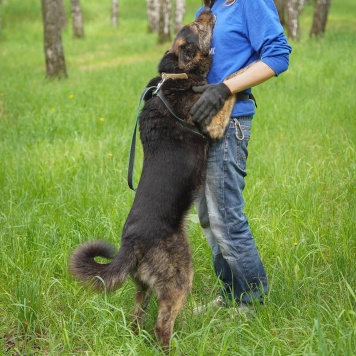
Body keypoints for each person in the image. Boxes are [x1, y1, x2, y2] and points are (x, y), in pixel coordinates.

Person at [190, 0, 292, 311]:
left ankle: (254, 301)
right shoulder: (209, 9)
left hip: (231, 119)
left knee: (226, 217)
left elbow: (278, 56)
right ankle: (233, 294)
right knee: (208, 217)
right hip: (201, 124)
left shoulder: (250, 2)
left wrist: (224, 88)